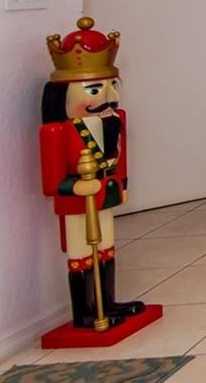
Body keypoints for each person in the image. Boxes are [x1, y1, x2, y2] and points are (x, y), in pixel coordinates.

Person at [39, 17, 147, 330]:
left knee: (106, 250)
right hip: (78, 202)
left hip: (105, 193)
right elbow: (51, 178)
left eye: (113, 86)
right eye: (96, 89)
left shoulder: (114, 121)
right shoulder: (57, 133)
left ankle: (107, 302)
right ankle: (85, 313)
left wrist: (122, 183)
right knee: (81, 254)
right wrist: (73, 187)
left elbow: (120, 159)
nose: (108, 97)